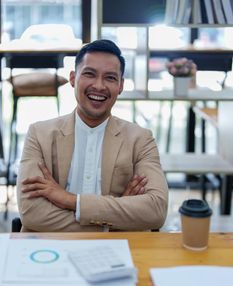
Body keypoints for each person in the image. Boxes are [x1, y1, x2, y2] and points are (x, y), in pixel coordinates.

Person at [17, 39, 168, 232]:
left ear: (120, 86)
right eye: (90, 74)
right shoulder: (39, 134)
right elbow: (32, 214)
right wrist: (114, 222)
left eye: (110, 78)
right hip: (50, 248)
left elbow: (155, 210)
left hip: (118, 251)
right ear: (73, 78)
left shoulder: (141, 139)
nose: (99, 86)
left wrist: (69, 200)